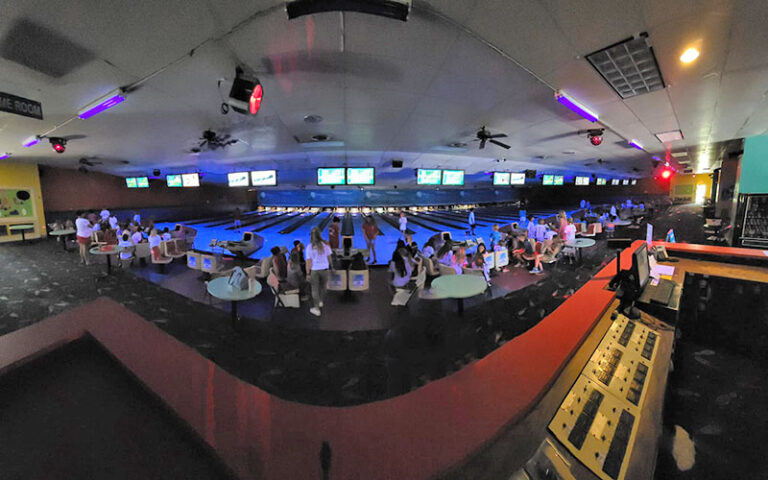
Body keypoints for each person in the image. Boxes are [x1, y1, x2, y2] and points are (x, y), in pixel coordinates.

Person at [305, 227, 333, 317]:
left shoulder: (309, 247)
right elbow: (329, 258)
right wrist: (332, 267)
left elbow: (308, 262)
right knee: (323, 287)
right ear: (319, 235)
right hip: (324, 269)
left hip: (315, 270)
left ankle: (316, 308)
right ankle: (321, 301)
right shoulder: (325, 245)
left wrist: (307, 273)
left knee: (315, 289)